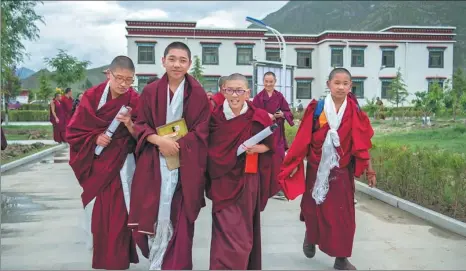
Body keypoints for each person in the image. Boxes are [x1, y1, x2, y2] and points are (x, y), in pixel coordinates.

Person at [278, 68, 377, 270]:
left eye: (345, 83)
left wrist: (370, 170)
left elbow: (362, 143)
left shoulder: (355, 111)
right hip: (317, 167)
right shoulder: (317, 109)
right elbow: (302, 139)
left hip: (342, 171)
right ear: (328, 84)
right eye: (337, 83)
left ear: (351, 86)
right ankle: (311, 236)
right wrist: (291, 166)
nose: (341, 87)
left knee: (343, 215)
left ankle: (341, 258)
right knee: (314, 208)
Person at [128, 41, 211, 270]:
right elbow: (140, 123)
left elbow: (203, 130)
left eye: (182, 60)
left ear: (190, 64)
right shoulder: (151, 91)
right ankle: (156, 260)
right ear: (163, 61)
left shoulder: (198, 95)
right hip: (154, 165)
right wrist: (159, 141)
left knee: (181, 223)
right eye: (172, 59)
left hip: (185, 169)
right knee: (152, 214)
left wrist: (178, 145)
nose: (177, 64)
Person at [66, 56, 140, 270]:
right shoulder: (92, 96)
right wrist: (94, 138)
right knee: (100, 217)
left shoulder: (135, 100)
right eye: (120, 78)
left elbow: (143, 134)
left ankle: (119, 261)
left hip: (124, 166)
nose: (124, 84)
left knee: (121, 216)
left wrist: (130, 125)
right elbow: (74, 131)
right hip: (100, 166)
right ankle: (103, 260)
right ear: (109, 74)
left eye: (129, 80)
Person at [207, 73, 279, 270]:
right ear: (223, 91)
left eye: (240, 90)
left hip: (248, 181)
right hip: (222, 181)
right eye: (230, 90)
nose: (235, 95)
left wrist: (259, 148)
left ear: (248, 93)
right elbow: (207, 150)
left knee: (243, 233)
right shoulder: (214, 119)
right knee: (223, 232)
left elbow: (273, 147)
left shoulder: (259, 117)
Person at [253, 71, 294, 200]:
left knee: (279, 159)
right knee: (265, 160)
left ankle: (278, 188)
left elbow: (288, 111)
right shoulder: (259, 97)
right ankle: (263, 188)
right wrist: (267, 116)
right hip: (264, 133)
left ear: (275, 82)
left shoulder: (279, 96)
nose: (269, 84)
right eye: (266, 81)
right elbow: (253, 113)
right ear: (263, 82)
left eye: (271, 81)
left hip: (278, 134)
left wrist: (282, 114)